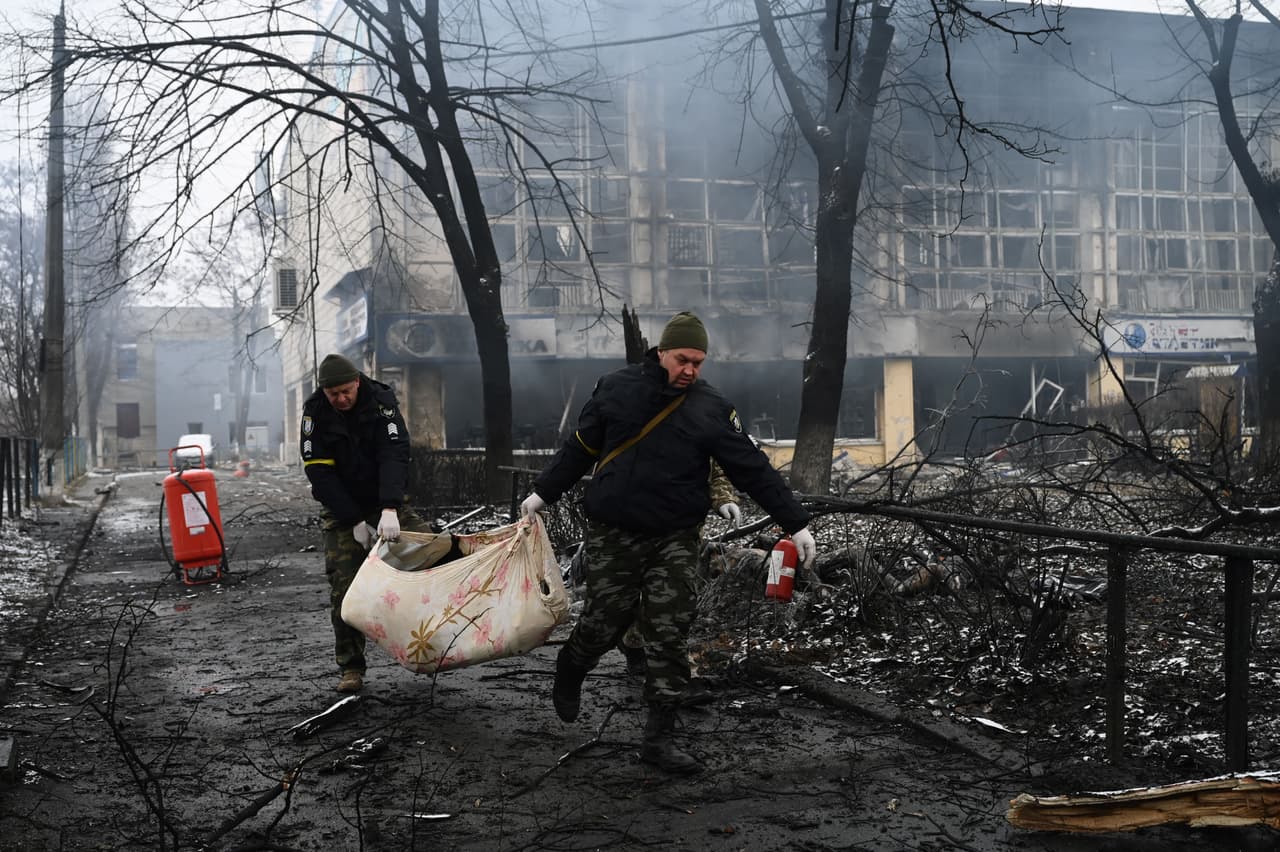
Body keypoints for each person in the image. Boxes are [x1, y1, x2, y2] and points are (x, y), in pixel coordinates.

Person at [520, 311, 816, 774]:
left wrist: (795, 522)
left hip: (675, 536)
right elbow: (580, 448)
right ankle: (572, 665)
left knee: (668, 629)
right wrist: (542, 493)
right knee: (605, 621)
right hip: (614, 532)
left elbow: (751, 467)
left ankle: (659, 738)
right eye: (683, 359)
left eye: (699, 362)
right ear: (661, 352)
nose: (691, 370)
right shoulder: (614, 389)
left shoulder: (711, 407)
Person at [300, 353, 430, 694]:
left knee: (431, 551)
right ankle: (351, 668)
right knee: (344, 587)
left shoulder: (382, 401)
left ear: (357, 382)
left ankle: (436, 642)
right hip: (343, 507)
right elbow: (319, 472)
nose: (341, 399)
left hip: (383, 500)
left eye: (346, 391)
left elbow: (394, 454)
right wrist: (353, 520)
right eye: (334, 394)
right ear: (324, 392)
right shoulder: (315, 411)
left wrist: (389, 507)